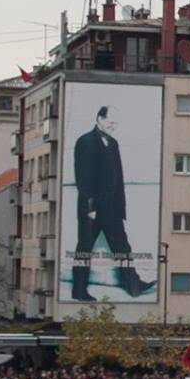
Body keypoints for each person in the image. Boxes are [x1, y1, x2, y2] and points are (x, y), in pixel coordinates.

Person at [68, 104, 152, 301]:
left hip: (112, 209)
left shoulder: (113, 143)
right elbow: (83, 178)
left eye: (116, 123)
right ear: (99, 118)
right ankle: (79, 290)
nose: (114, 126)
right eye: (111, 122)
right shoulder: (85, 141)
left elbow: (118, 178)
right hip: (93, 209)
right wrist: (90, 208)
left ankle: (133, 284)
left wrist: (121, 208)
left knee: (123, 248)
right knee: (84, 249)